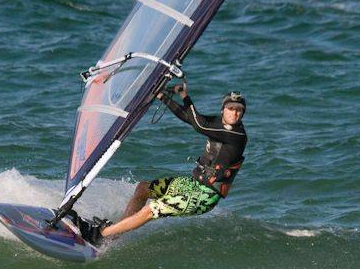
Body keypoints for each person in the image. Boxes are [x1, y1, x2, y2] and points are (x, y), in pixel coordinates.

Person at [73, 86, 248, 246]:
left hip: (205, 196)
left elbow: (199, 125)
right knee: (143, 188)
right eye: (231, 108)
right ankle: (116, 232)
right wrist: (162, 96)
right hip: (193, 185)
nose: (235, 113)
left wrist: (184, 95)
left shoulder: (237, 135)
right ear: (223, 109)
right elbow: (188, 117)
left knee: (151, 209)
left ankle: (100, 235)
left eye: (239, 110)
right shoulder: (220, 125)